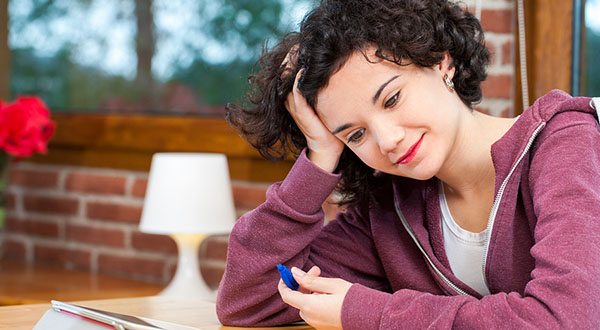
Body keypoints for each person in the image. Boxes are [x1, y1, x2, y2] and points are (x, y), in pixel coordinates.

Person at [216, 0, 600, 328]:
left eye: (392, 99)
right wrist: (320, 155)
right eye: (355, 135)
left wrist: (367, 312)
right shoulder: (389, 208)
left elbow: (567, 319)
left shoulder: (565, 142)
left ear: (440, 61)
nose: (387, 140)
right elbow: (248, 301)